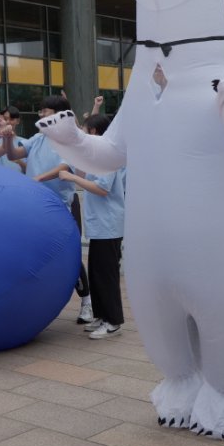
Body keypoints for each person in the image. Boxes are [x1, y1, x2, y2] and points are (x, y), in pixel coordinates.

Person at [6, 95, 89, 321]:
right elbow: (13, 154)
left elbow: (65, 166)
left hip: (62, 206)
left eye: (46, 111)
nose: (41, 114)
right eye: (40, 110)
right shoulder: (38, 138)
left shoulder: (70, 141)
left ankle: (86, 300)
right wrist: (7, 139)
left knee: (70, 254)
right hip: (35, 208)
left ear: (60, 115)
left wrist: (38, 178)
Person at [58, 114, 126, 339]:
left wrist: (72, 178)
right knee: (97, 274)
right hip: (99, 227)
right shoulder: (96, 157)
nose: (84, 135)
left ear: (95, 132)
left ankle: (113, 321)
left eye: (85, 131)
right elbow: (83, 174)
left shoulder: (108, 158)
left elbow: (102, 189)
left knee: (106, 275)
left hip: (109, 226)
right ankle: (101, 316)